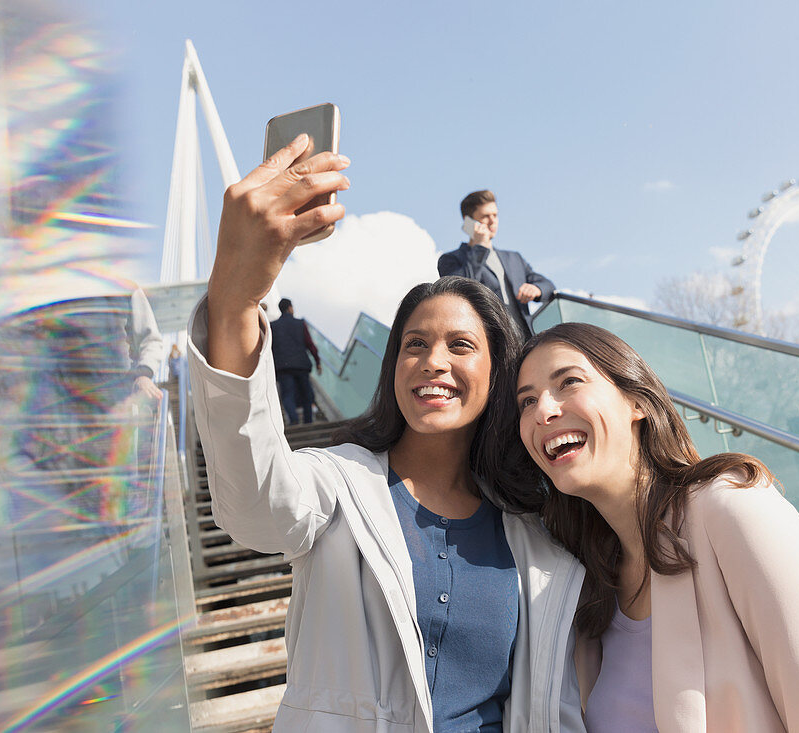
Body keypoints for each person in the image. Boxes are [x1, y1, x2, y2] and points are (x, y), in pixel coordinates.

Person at [189, 134, 585, 732]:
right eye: (414, 345)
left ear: (498, 371)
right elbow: (252, 506)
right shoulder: (336, 485)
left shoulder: (535, 527)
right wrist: (235, 296)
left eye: (461, 345)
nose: (434, 362)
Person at [505, 322, 799, 731]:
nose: (543, 411)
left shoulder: (732, 510)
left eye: (569, 382)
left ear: (636, 400)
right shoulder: (588, 583)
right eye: (526, 402)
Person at [437, 190, 554, 339]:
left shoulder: (514, 258)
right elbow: (460, 289)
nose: (493, 221)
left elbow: (548, 285)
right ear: (469, 222)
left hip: (525, 341)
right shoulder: (450, 259)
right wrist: (480, 247)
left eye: (495, 215)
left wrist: (536, 289)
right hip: (489, 341)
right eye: (486, 216)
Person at [270, 297, 322, 424]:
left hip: (283, 367)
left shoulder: (273, 326)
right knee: (307, 394)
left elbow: (270, 348)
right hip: (301, 365)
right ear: (289, 308)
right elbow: (310, 344)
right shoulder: (300, 324)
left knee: (287, 395)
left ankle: (294, 419)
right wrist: (317, 361)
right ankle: (308, 421)